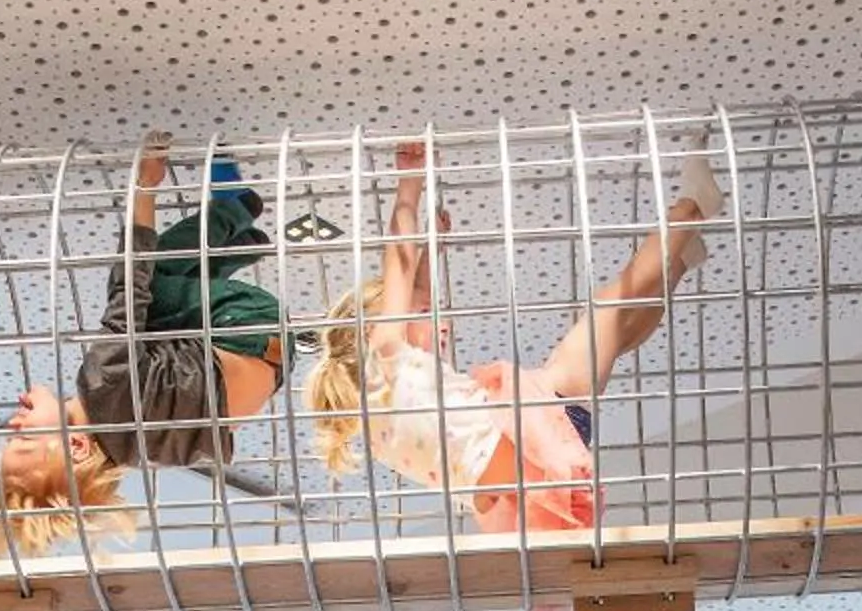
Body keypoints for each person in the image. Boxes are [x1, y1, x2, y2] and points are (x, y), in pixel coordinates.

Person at [303, 142, 719, 534]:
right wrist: (410, 183)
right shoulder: (389, 358)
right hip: (542, 426)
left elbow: (417, 293)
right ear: (376, 326)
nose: (441, 325)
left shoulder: (381, 427)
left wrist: (434, 252)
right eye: (424, 312)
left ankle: (681, 260)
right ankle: (695, 206)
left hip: (548, 465)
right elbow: (401, 256)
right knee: (609, 310)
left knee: (619, 332)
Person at [0, 138, 289, 553]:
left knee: (149, 333)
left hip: (271, 357)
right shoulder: (103, 385)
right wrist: (145, 186)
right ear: (74, 443)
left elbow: (217, 438)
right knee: (147, 287)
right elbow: (130, 284)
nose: (11, 426)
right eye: (23, 440)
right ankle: (232, 213)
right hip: (244, 321)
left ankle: (235, 236)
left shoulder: (140, 452)